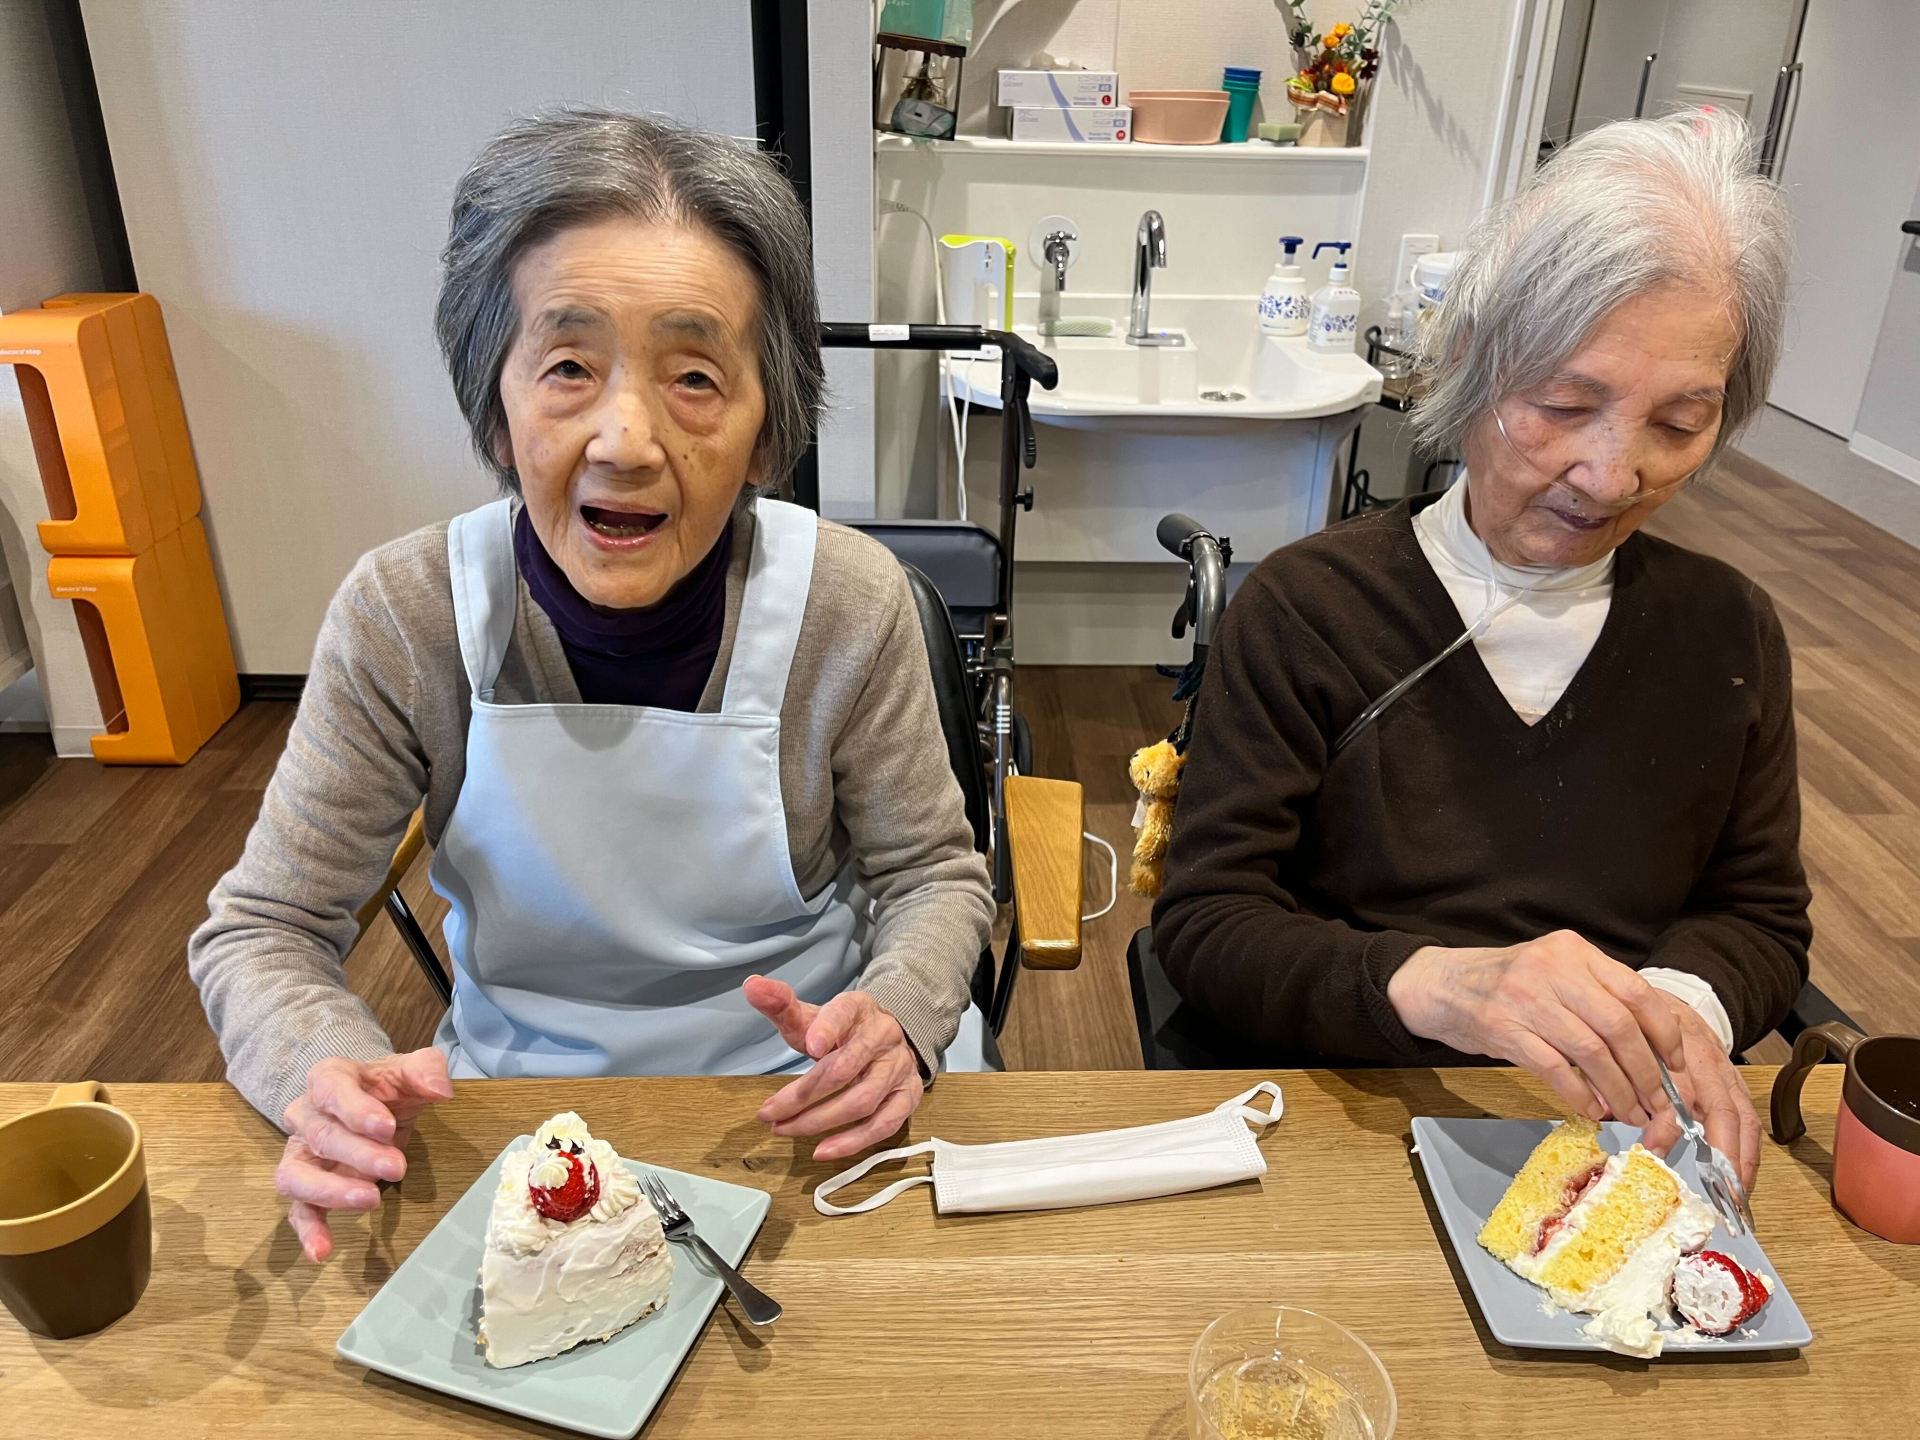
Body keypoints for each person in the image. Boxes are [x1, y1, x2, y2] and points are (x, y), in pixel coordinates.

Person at [189, 109, 994, 1262]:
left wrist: (900, 1017)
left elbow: (933, 876)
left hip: (802, 1119)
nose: (625, 440)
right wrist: (322, 1071)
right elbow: (265, 927)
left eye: (696, 377)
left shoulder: (846, 604)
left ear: (770, 433)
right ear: (496, 406)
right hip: (523, 1134)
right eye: (568, 367)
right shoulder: (408, 615)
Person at [1154, 109, 1807, 1189]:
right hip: (1344, 1115)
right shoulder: (1310, 610)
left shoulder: (1727, 631)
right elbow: (1210, 923)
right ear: (1467, 363)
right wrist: (1435, 985)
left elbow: (1760, 919)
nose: (1613, 474)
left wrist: (1674, 1009)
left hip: (1622, 1145)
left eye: (1679, 424)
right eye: (1565, 404)